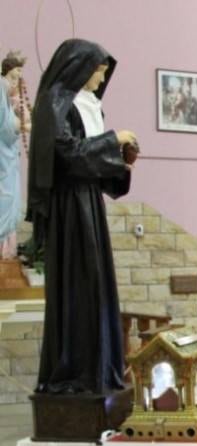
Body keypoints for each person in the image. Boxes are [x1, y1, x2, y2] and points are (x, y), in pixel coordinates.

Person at [27, 39, 136, 394]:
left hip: (88, 202)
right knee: (79, 285)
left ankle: (99, 371)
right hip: (69, 208)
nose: (103, 75)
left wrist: (119, 158)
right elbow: (67, 155)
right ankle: (76, 372)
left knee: (97, 286)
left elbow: (91, 163)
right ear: (78, 67)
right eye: (98, 68)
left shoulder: (88, 104)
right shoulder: (55, 101)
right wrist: (111, 140)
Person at [1, 49, 29, 259]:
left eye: (17, 79)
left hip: (9, 162)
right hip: (2, 160)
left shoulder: (10, 101)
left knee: (11, 203)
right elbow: (7, 128)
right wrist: (24, 125)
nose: (14, 82)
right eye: (12, 77)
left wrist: (22, 113)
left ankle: (7, 253)